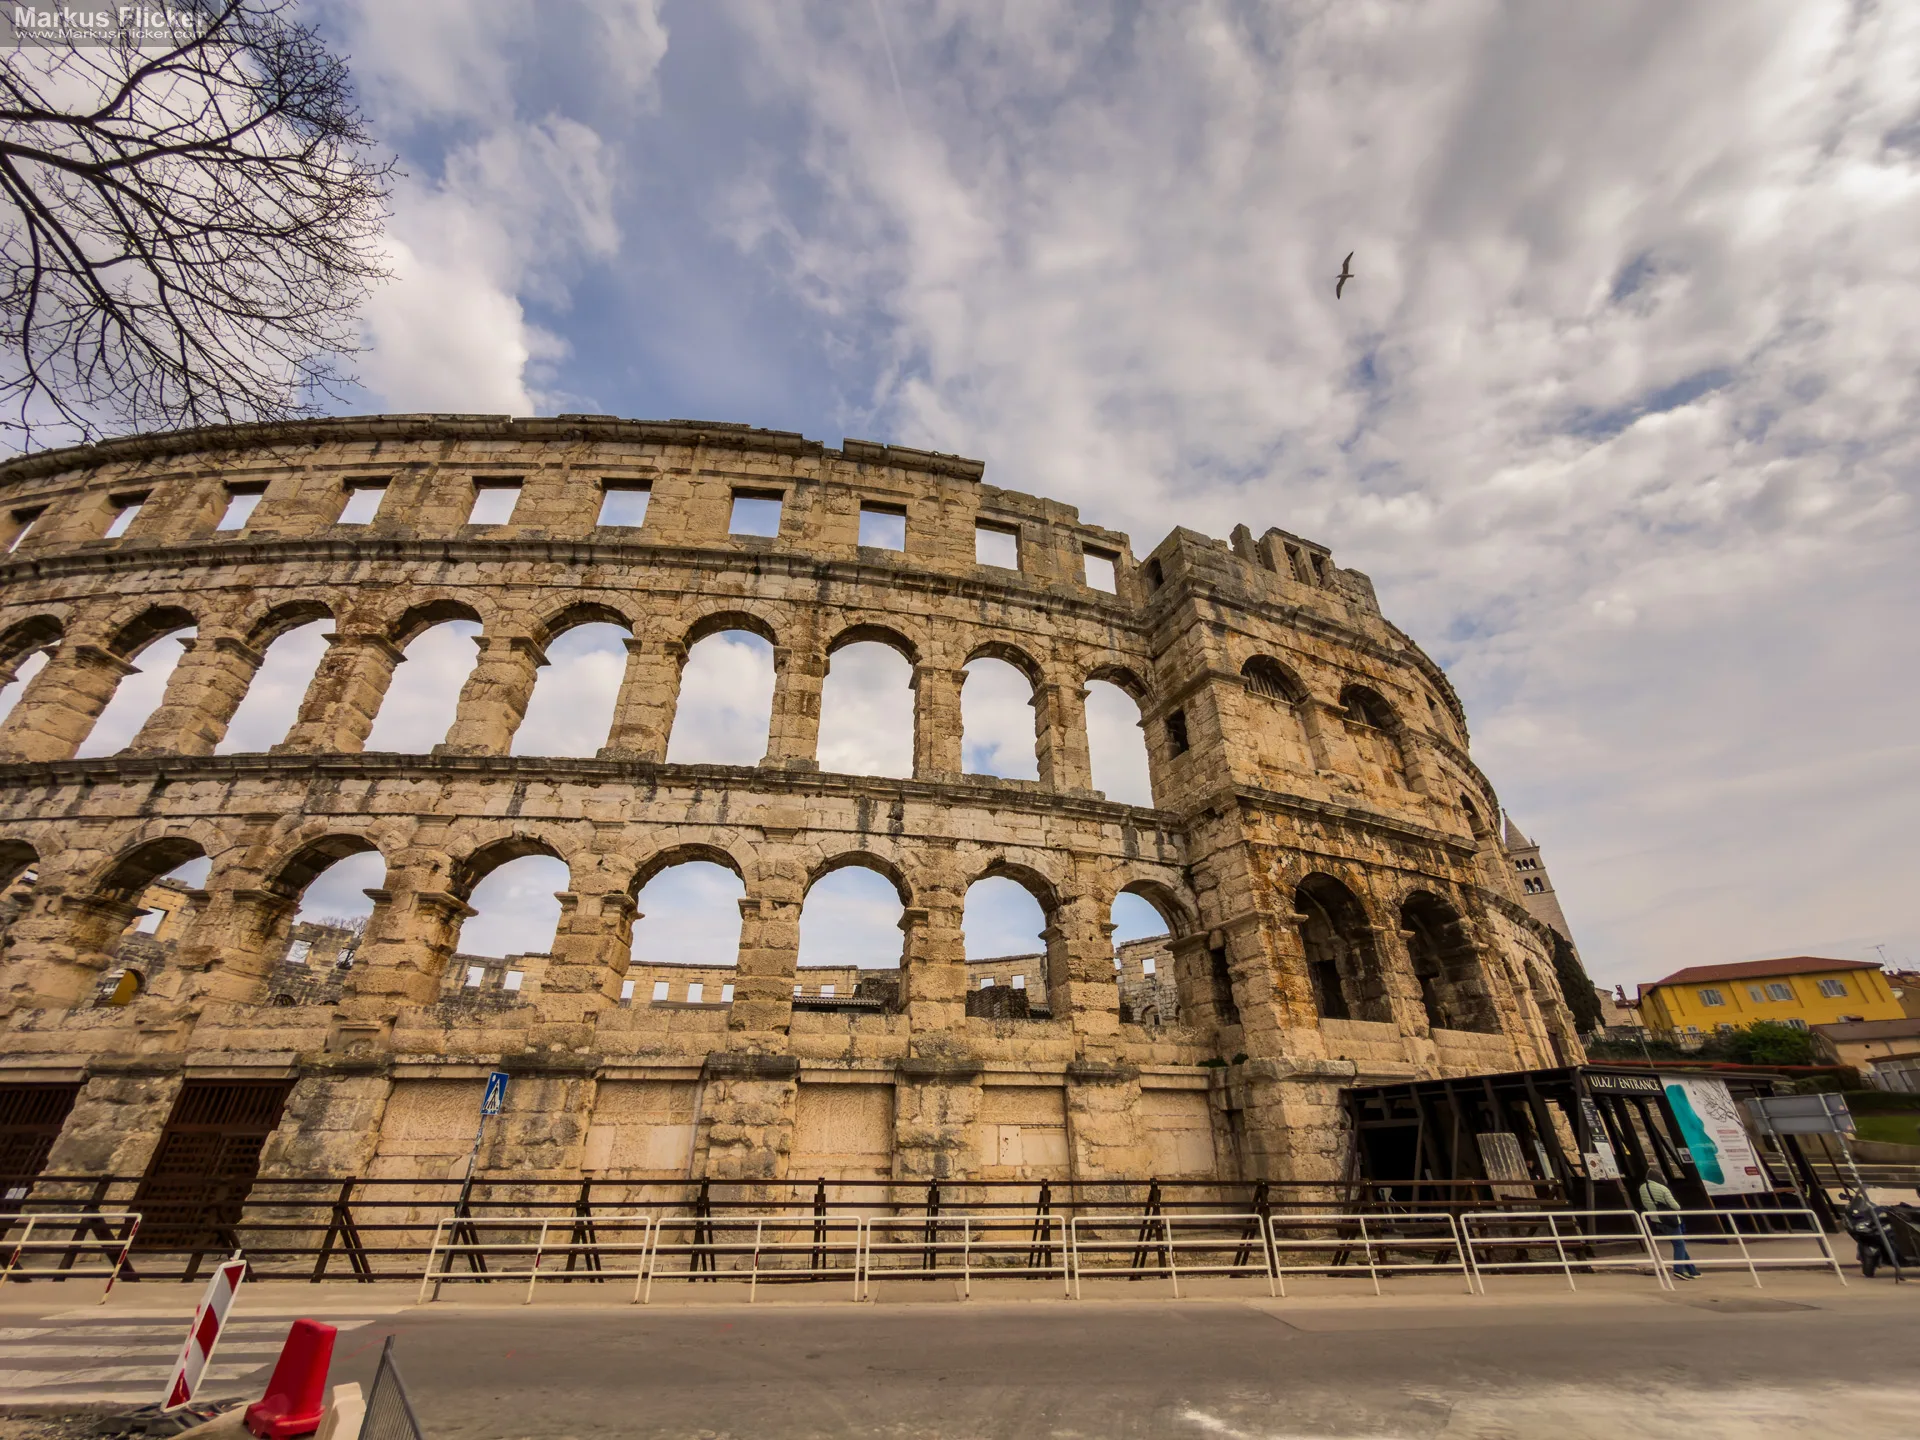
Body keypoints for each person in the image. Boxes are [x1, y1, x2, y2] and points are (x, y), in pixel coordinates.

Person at [1636, 1167, 1701, 1280]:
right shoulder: (1662, 1188)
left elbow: (1645, 1204)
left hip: (1656, 1219)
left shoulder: (1642, 1188)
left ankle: (1692, 1270)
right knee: (1679, 1244)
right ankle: (1679, 1270)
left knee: (1678, 1244)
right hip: (1670, 1220)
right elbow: (1676, 1206)